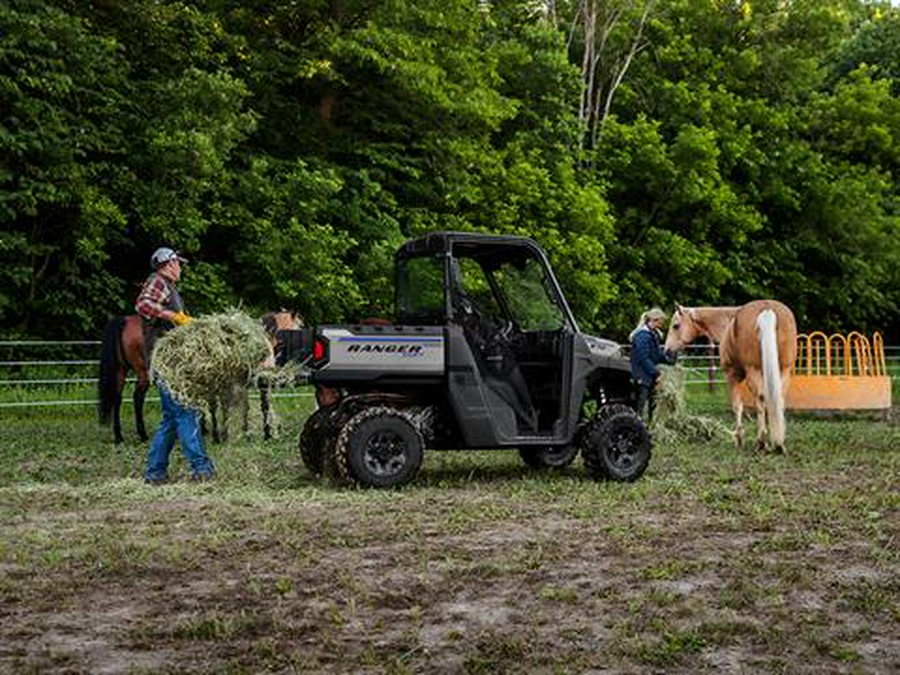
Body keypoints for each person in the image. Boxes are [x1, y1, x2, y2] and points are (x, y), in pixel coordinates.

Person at [135, 247, 215, 484]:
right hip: (167, 364)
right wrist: (174, 317)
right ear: (167, 264)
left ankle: (155, 472)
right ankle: (201, 469)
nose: (180, 267)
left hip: (170, 363)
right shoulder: (158, 281)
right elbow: (142, 305)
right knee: (186, 412)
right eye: (177, 263)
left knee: (171, 419)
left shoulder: (170, 288)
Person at [629, 307, 674, 423]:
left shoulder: (652, 334)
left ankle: (650, 426)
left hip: (649, 375)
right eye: (661, 322)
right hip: (641, 375)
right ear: (654, 320)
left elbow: (657, 355)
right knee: (640, 405)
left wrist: (670, 359)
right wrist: (656, 373)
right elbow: (643, 358)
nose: (662, 324)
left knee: (652, 403)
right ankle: (636, 427)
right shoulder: (642, 336)